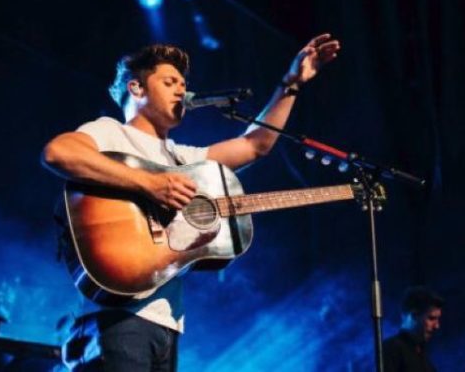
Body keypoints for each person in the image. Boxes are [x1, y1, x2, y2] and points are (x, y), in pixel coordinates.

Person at [42, 33, 340, 371]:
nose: (181, 90)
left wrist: (291, 83)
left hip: (166, 323)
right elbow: (58, 153)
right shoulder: (111, 131)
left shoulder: (184, 158)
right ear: (136, 88)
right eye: (169, 82)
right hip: (115, 319)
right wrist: (150, 184)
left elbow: (255, 145)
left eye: (183, 84)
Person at [382, 286, 444, 372]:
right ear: (414, 316)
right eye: (431, 318)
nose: (437, 326)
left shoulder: (423, 358)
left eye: (437, 319)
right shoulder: (391, 350)